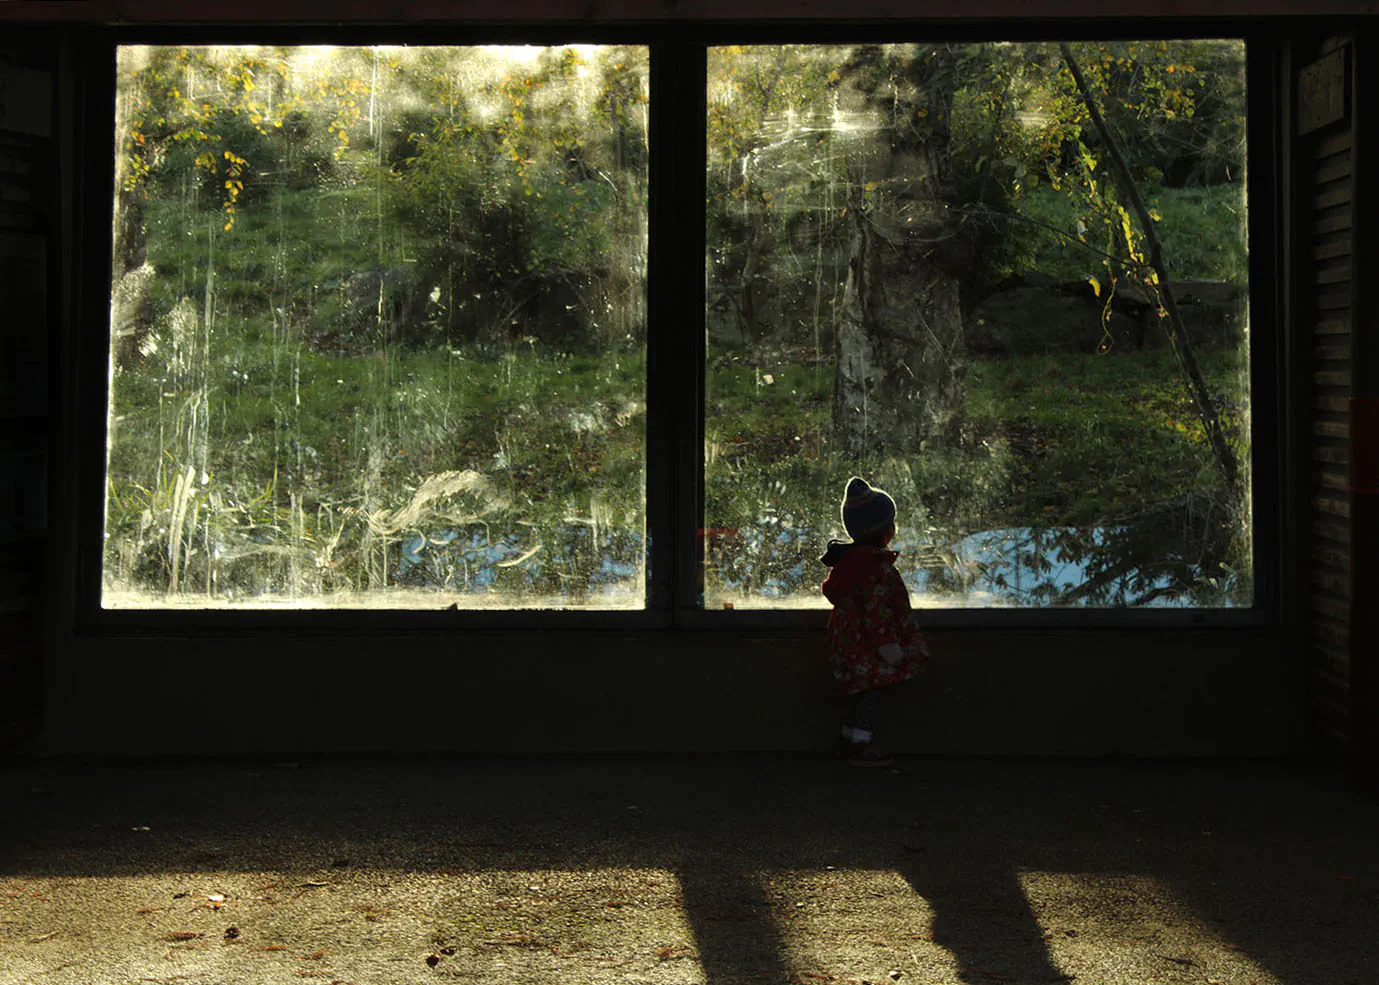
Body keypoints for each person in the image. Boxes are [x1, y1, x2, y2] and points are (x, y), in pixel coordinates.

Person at [821, 476, 929, 767]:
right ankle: (860, 744)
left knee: (862, 692)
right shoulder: (875, 569)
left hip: (849, 645)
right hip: (869, 647)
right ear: (885, 531)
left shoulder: (850, 565)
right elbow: (877, 612)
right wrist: (889, 647)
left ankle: (848, 738)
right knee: (872, 692)